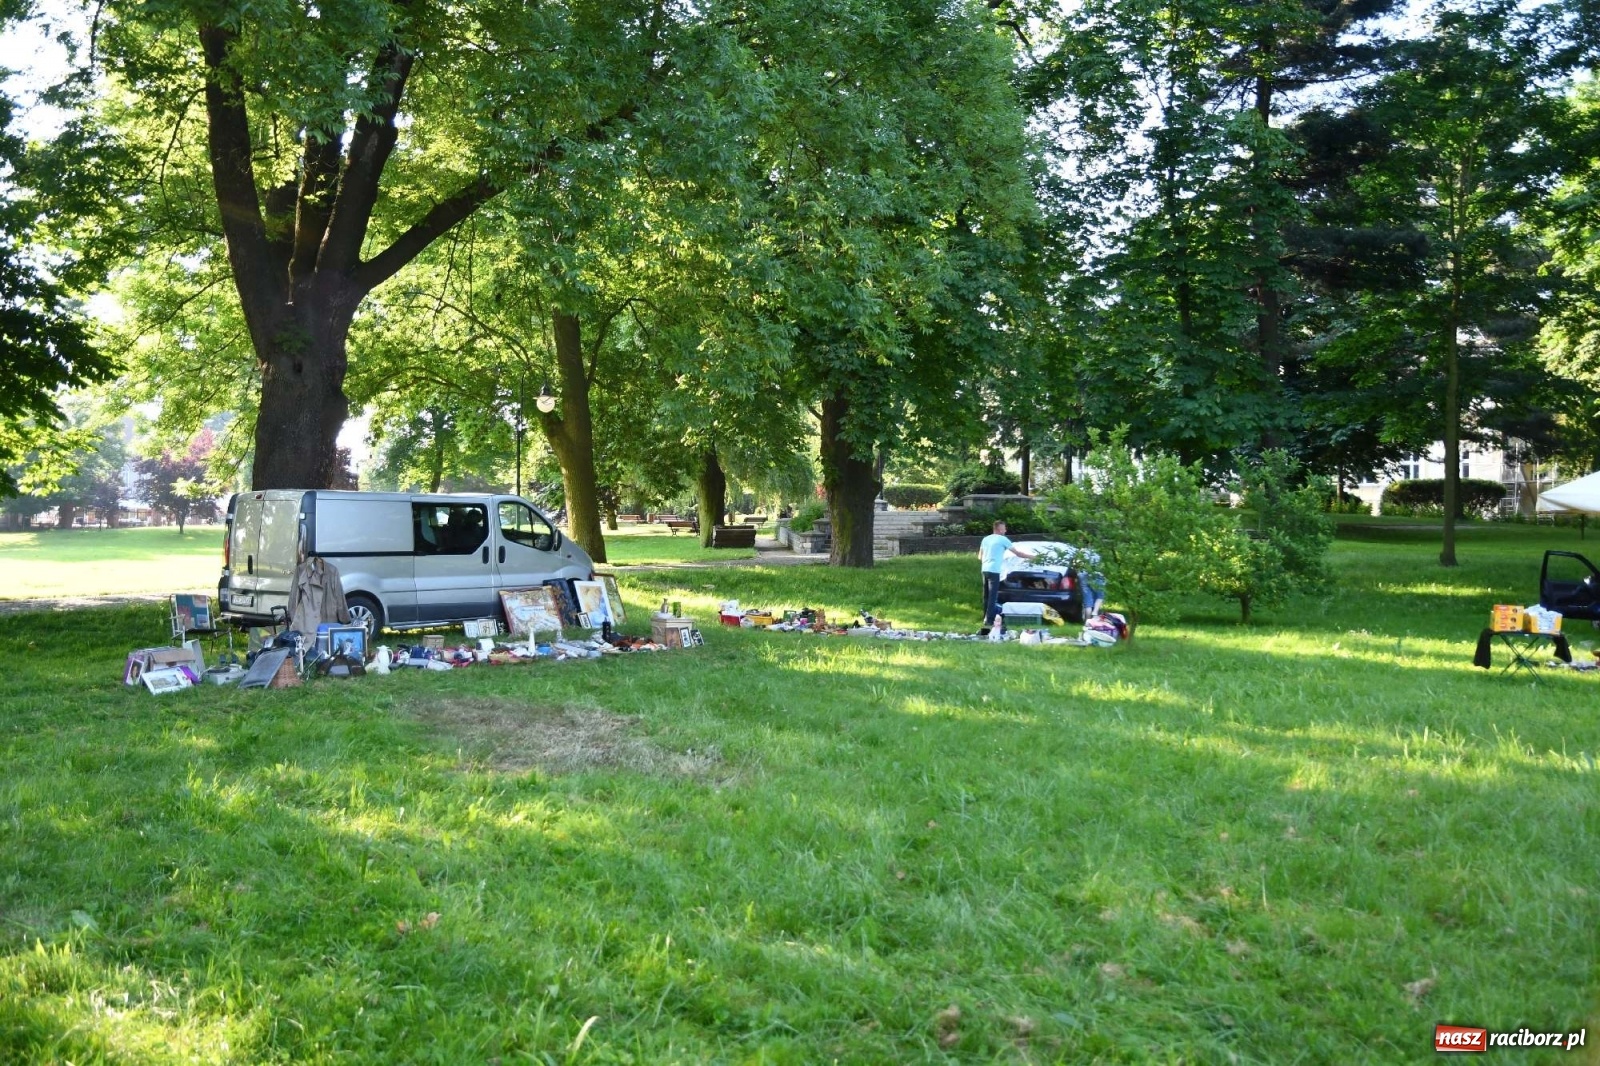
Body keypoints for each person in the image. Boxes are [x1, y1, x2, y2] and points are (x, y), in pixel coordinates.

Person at [979, 520, 1035, 633]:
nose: (1006, 530)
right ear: (999, 529)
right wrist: (1033, 557)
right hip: (994, 570)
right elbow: (1018, 553)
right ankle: (989, 620)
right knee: (992, 597)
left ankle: (985, 616)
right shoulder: (1003, 539)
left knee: (986, 595)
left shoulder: (986, 539)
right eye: (1004, 528)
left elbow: (980, 556)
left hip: (985, 569)